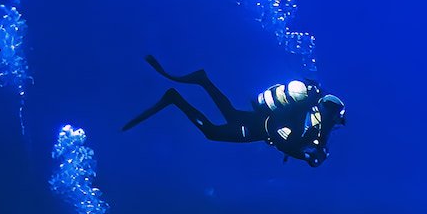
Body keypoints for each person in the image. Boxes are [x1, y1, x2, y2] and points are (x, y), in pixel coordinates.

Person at [121, 55, 346, 165]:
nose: (335, 125)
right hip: (259, 128)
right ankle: (175, 98)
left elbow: (310, 146)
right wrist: (305, 156)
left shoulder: (315, 123)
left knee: (229, 112)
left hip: (260, 120)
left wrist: (314, 154)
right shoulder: (307, 119)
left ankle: (203, 80)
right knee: (212, 132)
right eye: (335, 120)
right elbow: (283, 140)